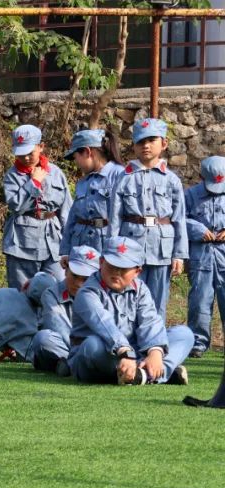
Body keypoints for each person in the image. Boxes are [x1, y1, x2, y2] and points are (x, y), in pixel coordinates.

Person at [68, 237, 193, 385]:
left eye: (123, 268)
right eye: (112, 266)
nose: (116, 272)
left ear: (137, 271)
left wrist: (155, 352)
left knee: (184, 334)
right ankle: (153, 375)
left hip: (135, 354)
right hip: (102, 356)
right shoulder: (87, 292)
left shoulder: (141, 288)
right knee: (92, 345)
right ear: (101, 263)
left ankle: (141, 375)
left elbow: (150, 321)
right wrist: (125, 352)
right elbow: (104, 325)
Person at [108, 118, 188, 318]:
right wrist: (111, 252)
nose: (146, 145)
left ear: (164, 143)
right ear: (133, 146)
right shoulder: (124, 178)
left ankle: (156, 336)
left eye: (152, 140)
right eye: (140, 141)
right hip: (130, 247)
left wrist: (179, 255)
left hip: (161, 249)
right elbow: (115, 218)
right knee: (128, 298)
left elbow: (179, 219)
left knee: (158, 301)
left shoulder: (172, 180)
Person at [1, 125, 71, 288]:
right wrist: (34, 183)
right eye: (21, 154)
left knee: (58, 288)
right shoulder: (12, 176)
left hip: (53, 242)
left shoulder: (55, 172)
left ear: (41, 147)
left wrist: (68, 244)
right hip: (22, 243)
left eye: (30, 153)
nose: (25, 158)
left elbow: (66, 210)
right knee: (22, 293)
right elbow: (16, 206)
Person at [26, 246, 99, 376]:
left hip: (93, 347)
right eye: (74, 276)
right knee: (43, 338)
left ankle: (70, 365)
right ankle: (79, 364)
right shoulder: (51, 294)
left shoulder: (104, 294)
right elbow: (60, 329)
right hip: (67, 347)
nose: (78, 283)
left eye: (85, 278)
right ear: (66, 271)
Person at [59, 129, 125, 261]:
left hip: (106, 247)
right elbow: (72, 217)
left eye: (76, 157)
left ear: (88, 152)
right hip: (80, 248)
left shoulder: (120, 175)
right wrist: (65, 251)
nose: (76, 162)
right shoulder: (83, 182)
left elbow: (125, 217)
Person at [184, 156, 225, 359]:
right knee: (200, 301)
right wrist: (197, 229)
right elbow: (178, 219)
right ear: (201, 177)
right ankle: (198, 342)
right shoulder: (190, 195)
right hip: (201, 256)